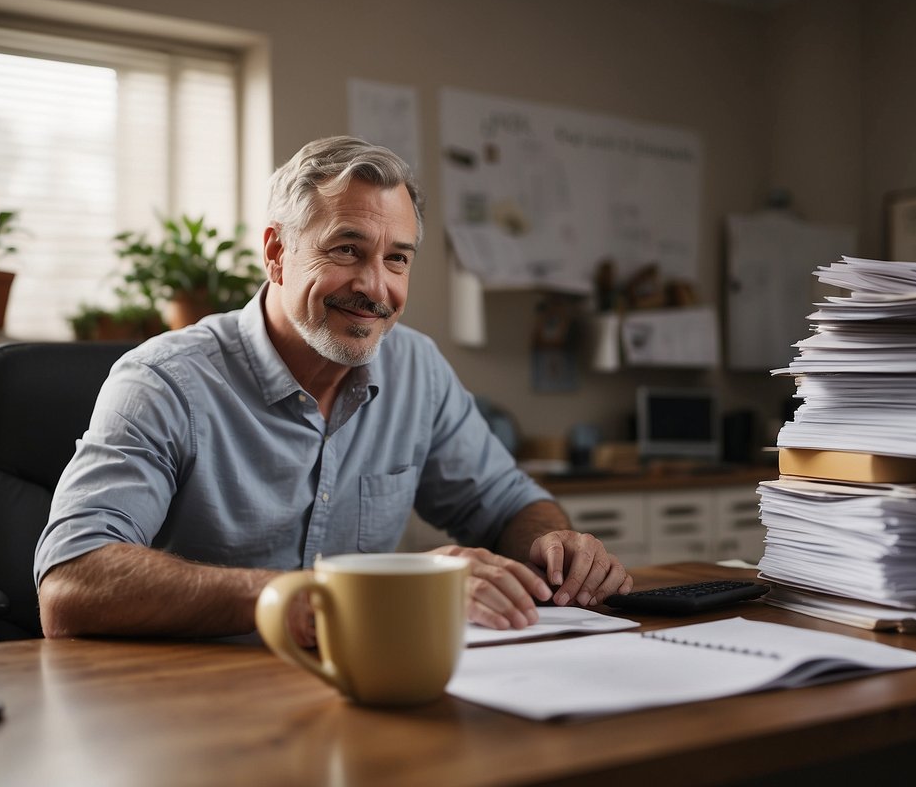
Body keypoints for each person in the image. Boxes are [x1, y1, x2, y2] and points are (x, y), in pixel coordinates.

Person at [35, 136, 631, 646]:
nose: (376, 287)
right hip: (197, 702)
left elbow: (508, 503)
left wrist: (554, 545)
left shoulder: (416, 369)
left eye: (397, 259)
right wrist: (331, 595)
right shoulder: (165, 380)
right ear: (276, 253)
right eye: (347, 249)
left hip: (364, 685)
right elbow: (71, 582)